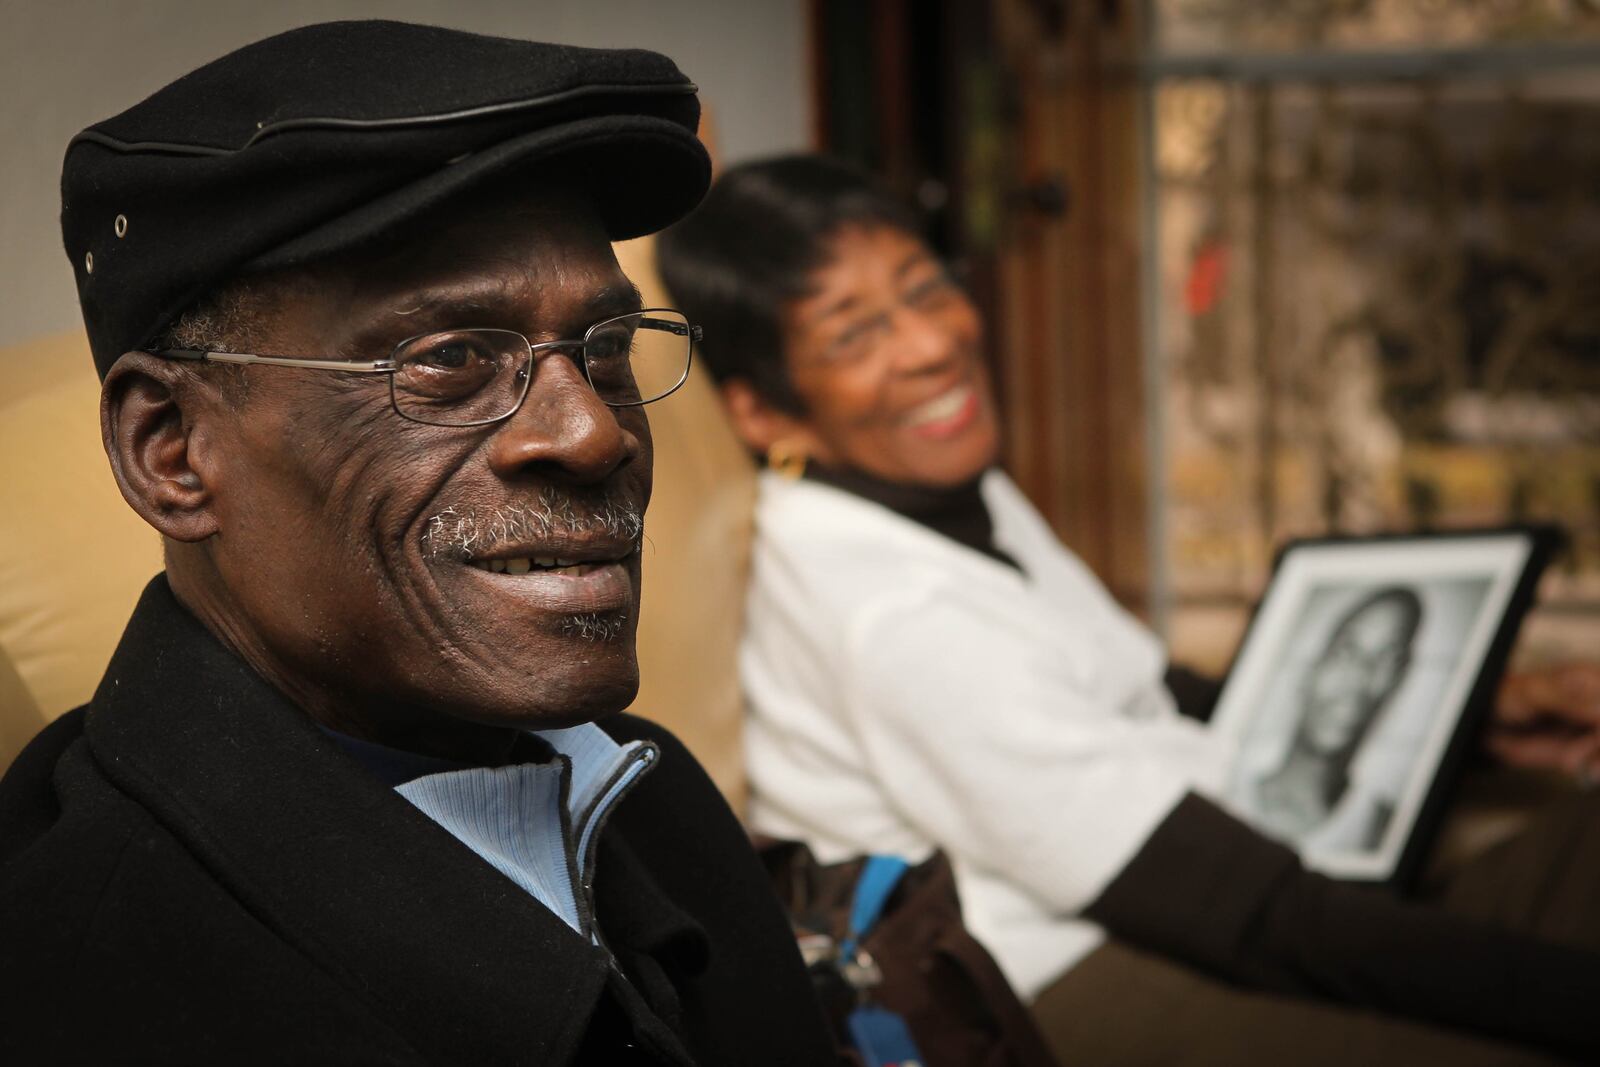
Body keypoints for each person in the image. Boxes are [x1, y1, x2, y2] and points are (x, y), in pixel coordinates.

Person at [0, 23, 838, 1065]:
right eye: (447, 360)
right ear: (172, 451)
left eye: (607, 347)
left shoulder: (649, 794)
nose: (590, 430)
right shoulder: (92, 983)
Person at [656, 154, 1600, 1065]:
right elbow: (1249, 911)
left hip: (1184, 865)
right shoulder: (892, 612)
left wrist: (1481, 719)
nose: (933, 342)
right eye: (854, 333)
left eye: (924, 285)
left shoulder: (933, 485)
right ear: (766, 415)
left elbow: (1140, 687)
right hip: (1059, 971)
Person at [1243, 585, 1424, 847]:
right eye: (1346, 652)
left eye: (1388, 661)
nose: (1359, 680)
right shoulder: (1221, 787)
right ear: (1311, 666)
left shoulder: (1382, 832)